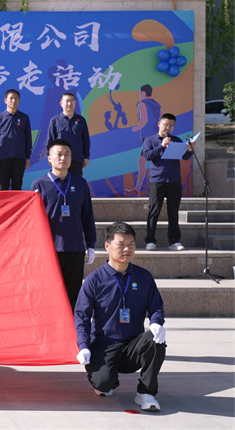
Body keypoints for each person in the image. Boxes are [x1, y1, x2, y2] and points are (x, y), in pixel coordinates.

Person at [75, 221, 166, 412]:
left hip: (133, 344)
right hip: (104, 345)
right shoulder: (94, 280)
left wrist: (156, 323)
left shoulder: (143, 277)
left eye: (131, 244)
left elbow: (156, 306)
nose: (127, 249)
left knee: (155, 339)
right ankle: (106, 381)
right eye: (121, 244)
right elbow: (82, 316)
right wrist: (83, 346)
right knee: (103, 384)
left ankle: (146, 392)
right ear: (107, 246)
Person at [31, 139, 97, 309]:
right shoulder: (39, 185)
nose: (63, 158)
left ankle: (72, 326)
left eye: (67, 154)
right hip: (50, 249)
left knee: (73, 295)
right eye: (59, 154)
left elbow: (87, 216)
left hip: (75, 248)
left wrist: (90, 245)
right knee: (50, 294)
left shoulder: (80, 184)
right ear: (49, 159)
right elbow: (32, 221)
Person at [142, 113, 194, 251]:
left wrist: (190, 150)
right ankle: (150, 241)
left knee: (173, 211)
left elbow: (185, 157)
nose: (168, 128)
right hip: (157, 180)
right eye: (166, 124)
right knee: (154, 211)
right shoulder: (149, 140)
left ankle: (174, 241)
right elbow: (147, 156)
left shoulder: (176, 140)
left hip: (174, 180)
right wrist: (162, 145)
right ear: (159, 124)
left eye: (172, 126)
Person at [0, 89, 32, 190]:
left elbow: (28, 138)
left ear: (19, 101)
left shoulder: (24, 118)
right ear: (5, 100)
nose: (14, 101)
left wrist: (27, 157)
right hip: (3, 158)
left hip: (19, 157)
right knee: (3, 187)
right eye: (11, 98)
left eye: (16, 99)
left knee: (17, 187)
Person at [127, 85, 162, 196]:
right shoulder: (156, 104)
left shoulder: (142, 104)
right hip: (156, 135)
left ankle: (140, 189)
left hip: (147, 136)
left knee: (142, 161)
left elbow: (144, 120)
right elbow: (162, 116)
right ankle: (139, 189)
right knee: (150, 161)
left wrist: (136, 128)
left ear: (143, 93)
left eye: (140, 93)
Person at [47, 93, 90, 177]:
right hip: (60, 160)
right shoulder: (55, 120)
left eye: (72, 101)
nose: (69, 103)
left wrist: (86, 157)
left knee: (76, 182)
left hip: (76, 159)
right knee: (60, 182)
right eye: (67, 101)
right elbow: (50, 140)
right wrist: (50, 156)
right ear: (61, 104)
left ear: (75, 103)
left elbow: (86, 140)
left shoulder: (81, 120)